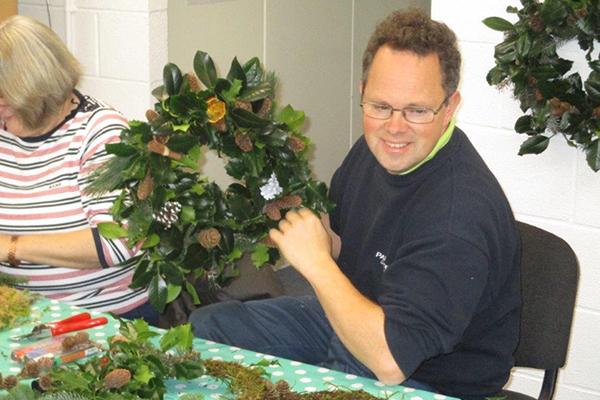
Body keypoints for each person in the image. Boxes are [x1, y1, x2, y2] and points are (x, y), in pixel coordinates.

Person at [190, 9, 520, 399]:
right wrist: (288, 221)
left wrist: (315, 263)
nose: (394, 127)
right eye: (380, 106)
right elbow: (340, 239)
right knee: (211, 328)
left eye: (416, 110)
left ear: (449, 107)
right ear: (363, 92)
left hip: (429, 376)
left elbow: (390, 362)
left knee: (327, 383)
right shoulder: (374, 149)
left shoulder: (457, 216)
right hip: (359, 315)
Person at [0, 15, 157, 325]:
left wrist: (11, 247)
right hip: (16, 310)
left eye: (4, 97)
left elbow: (118, 242)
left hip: (103, 317)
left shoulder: (102, 134)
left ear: (38, 88)